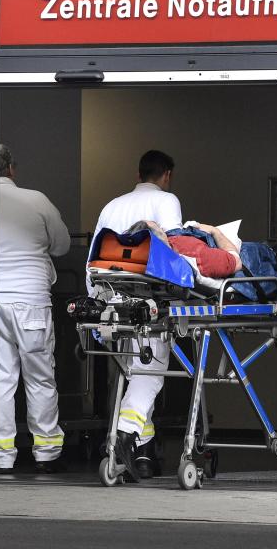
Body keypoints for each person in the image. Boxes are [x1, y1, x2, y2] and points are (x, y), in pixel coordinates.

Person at [90, 150, 181, 481]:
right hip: (148, 300)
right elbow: (175, 247)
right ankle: (123, 437)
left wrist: (96, 304)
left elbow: (94, 255)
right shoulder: (167, 201)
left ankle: (144, 454)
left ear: (138, 173)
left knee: (137, 377)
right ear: (166, 174)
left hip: (111, 300)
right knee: (150, 376)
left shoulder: (112, 206)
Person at [0, 144, 71, 474]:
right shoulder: (37, 200)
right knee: (40, 377)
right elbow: (63, 245)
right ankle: (47, 452)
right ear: (12, 168)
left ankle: (0, 454)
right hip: (32, 302)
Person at [128, 220, 242, 279]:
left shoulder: (133, 260)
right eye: (160, 229)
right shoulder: (195, 254)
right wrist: (214, 231)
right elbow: (237, 263)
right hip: (245, 255)